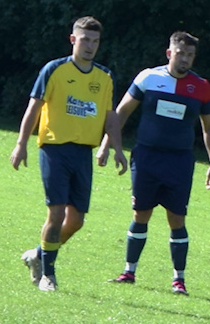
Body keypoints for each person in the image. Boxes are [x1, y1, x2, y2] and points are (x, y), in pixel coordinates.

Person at [102, 31, 210, 294]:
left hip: (179, 161)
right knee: (140, 213)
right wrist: (106, 146)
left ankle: (179, 280)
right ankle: (129, 271)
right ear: (170, 53)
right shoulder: (148, 78)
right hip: (146, 158)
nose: (186, 60)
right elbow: (120, 113)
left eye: (191, 55)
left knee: (176, 218)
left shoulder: (201, 86)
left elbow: (209, 127)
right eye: (181, 54)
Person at [11, 16, 125, 292]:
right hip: (54, 149)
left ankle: (38, 254)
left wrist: (117, 149)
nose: (90, 46)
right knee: (57, 212)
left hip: (83, 153)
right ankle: (47, 275)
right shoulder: (54, 70)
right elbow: (34, 108)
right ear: (73, 39)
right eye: (85, 39)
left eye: (95, 41)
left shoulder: (104, 77)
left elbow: (110, 118)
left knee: (76, 221)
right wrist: (21, 143)